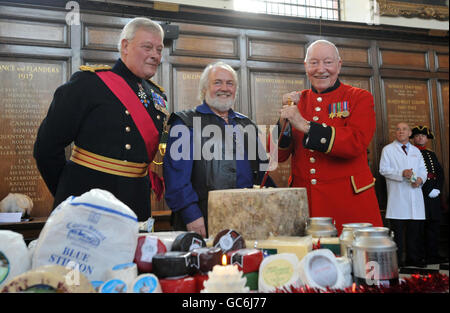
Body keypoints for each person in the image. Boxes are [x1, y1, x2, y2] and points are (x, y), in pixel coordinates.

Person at [33, 17, 168, 221]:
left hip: (136, 206)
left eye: (159, 49)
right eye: (147, 47)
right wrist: (69, 194)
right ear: (125, 46)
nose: (155, 55)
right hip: (88, 203)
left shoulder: (157, 95)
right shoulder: (89, 84)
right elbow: (46, 148)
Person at [276, 39, 383, 234]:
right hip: (305, 203)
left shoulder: (359, 97)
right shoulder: (298, 100)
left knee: (355, 261)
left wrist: (305, 125)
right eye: (314, 62)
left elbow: (355, 143)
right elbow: (277, 156)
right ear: (305, 66)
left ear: (339, 65)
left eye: (328, 62)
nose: (320, 69)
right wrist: (284, 118)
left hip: (348, 203)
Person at [163, 61, 273, 237]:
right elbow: (176, 180)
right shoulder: (185, 123)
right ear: (205, 88)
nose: (225, 88)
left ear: (235, 89)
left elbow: (263, 175)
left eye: (230, 83)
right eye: (218, 82)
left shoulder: (247, 125)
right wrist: (192, 216)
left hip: (247, 219)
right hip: (202, 220)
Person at [379, 122, 428, 267]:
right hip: (398, 197)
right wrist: (401, 173)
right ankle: (398, 260)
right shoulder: (388, 150)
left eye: (404, 129)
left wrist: (420, 179)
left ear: (409, 133)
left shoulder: (416, 151)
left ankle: (413, 258)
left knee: (414, 231)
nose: (401, 132)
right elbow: (383, 170)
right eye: (398, 129)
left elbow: (423, 170)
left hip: (414, 194)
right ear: (396, 133)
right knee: (398, 234)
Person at [411, 125, 446, 264]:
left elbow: (440, 173)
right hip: (419, 193)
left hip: (434, 194)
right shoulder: (411, 152)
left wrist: (437, 188)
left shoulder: (431, 153)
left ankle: (433, 254)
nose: (421, 138)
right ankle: (420, 256)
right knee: (420, 226)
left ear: (427, 138)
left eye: (423, 136)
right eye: (418, 136)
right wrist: (426, 190)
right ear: (413, 138)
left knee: (434, 225)